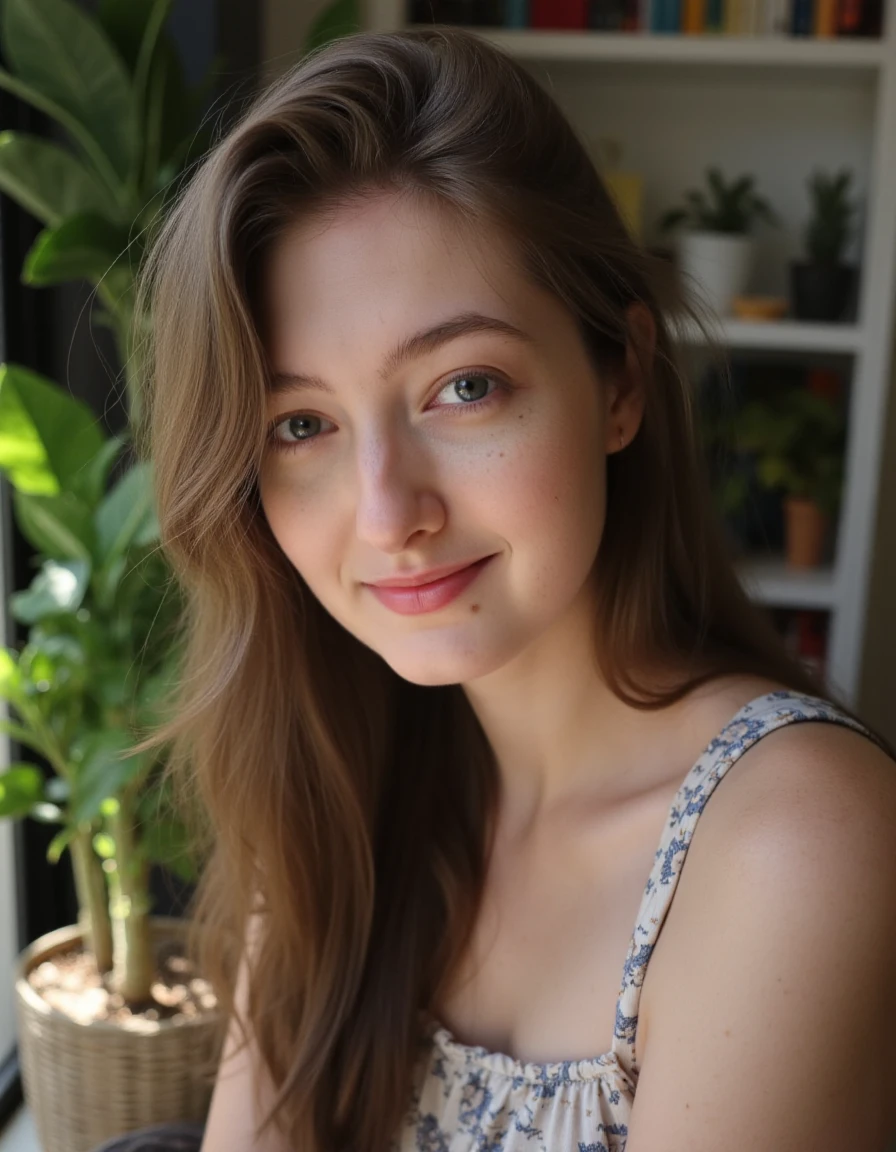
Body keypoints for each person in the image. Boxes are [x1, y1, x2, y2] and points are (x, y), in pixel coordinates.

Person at [111, 23, 896, 1152]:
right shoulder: (343, 793)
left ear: (618, 378)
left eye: (462, 386)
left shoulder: (792, 846)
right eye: (301, 425)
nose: (388, 514)